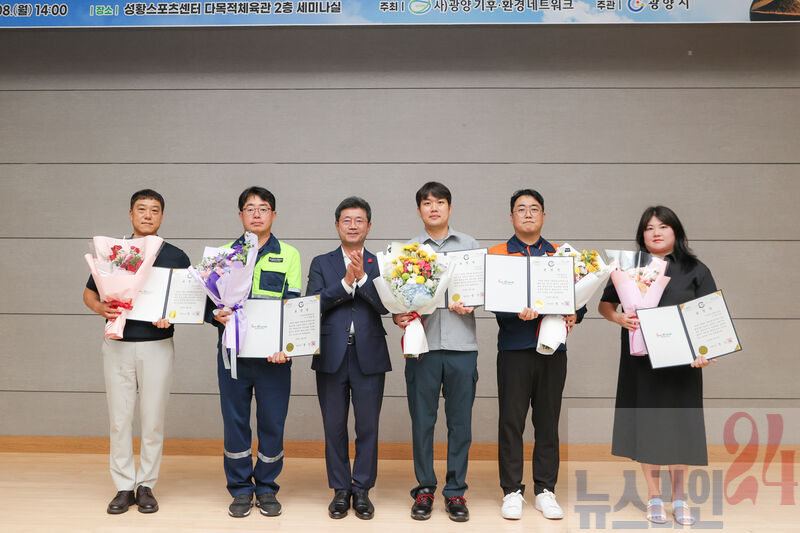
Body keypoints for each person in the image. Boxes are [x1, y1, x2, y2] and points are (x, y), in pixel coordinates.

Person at [598, 205, 717, 527]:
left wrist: (706, 351)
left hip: (683, 362)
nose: (656, 232)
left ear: (675, 231)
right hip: (641, 360)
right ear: (642, 235)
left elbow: (709, 314)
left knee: (681, 427)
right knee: (648, 426)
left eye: (663, 226)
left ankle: (679, 498)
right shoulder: (630, 267)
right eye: (649, 228)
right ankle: (653, 497)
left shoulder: (695, 269)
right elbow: (605, 305)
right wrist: (618, 317)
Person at [83, 189, 190, 515]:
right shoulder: (117, 252)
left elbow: (188, 301)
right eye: (141, 209)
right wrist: (101, 308)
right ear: (131, 214)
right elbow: (89, 294)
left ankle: (146, 485)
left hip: (157, 345)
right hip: (117, 344)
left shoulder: (175, 256)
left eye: (154, 210)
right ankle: (123, 486)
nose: (147, 215)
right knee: (119, 420)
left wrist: (172, 315)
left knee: (153, 420)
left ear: (162, 216)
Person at [488, 189, 583, 521]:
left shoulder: (561, 254)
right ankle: (512, 490)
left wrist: (575, 314)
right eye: (521, 209)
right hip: (514, 350)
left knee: (548, 421)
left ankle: (545, 490)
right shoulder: (498, 254)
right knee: (511, 421)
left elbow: (578, 297)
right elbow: (495, 302)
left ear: (544, 215)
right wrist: (516, 311)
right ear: (511, 217)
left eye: (534, 209)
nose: (527, 214)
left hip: (553, 350)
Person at [208, 186, 302, 518]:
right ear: (240, 215)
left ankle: (266, 488)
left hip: (273, 359)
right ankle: (240, 489)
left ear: (273, 215)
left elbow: (293, 306)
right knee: (235, 422)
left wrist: (286, 347)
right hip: (233, 354)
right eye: (250, 208)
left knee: (272, 422)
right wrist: (215, 315)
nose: (257, 214)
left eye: (263, 208)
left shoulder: (289, 254)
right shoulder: (223, 254)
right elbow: (208, 304)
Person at [393, 182, 479, 522]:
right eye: (427, 203)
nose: (433, 208)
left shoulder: (470, 246)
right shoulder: (408, 251)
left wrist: (474, 301)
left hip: (462, 346)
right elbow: (396, 298)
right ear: (419, 210)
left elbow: (483, 290)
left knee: (460, 424)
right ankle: (425, 488)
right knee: (422, 421)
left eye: (440, 202)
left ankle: (455, 491)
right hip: (423, 346)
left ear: (449, 207)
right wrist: (398, 315)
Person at [306, 197, 391, 520]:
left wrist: (364, 280)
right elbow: (312, 303)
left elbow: (386, 306)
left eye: (359, 220)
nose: (353, 226)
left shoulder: (380, 263)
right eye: (347, 220)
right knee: (334, 426)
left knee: (368, 426)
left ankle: (362, 489)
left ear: (369, 226)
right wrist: (345, 283)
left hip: (369, 353)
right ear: (336, 225)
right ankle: (341, 490)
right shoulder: (321, 262)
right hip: (331, 353)